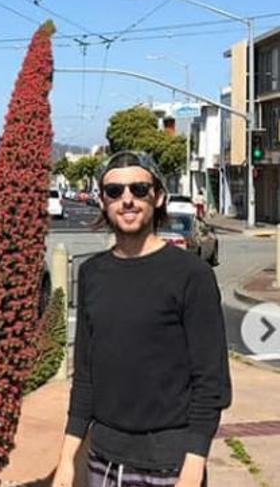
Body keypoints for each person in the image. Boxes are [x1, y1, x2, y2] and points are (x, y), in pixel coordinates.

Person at [52, 151, 231, 487]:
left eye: (138, 189)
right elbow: (86, 378)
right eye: (115, 192)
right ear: (103, 202)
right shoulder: (92, 274)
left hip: (171, 466)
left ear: (158, 196)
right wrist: (66, 459)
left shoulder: (191, 275)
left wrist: (192, 469)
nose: (127, 200)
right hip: (103, 464)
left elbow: (211, 382)